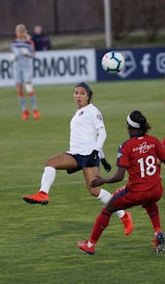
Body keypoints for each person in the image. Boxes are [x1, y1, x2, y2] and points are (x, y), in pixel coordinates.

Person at [22, 82, 134, 236]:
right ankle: (43, 193)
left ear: (88, 96)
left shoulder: (93, 111)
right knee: (50, 163)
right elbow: (89, 136)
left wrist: (96, 154)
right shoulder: (78, 113)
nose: (78, 96)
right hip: (75, 154)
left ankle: (124, 215)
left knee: (94, 191)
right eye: (76, 93)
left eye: (82, 93)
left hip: (88, 156)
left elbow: (102, 134)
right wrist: (103, 158)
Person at [77, 110, 165, 255]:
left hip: (136, 192)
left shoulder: (126, 146)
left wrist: (102, 180)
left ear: (129, 127)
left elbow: (119, 176)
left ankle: (90, 245)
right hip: (156, 190)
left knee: (108, 208)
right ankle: (158, 232)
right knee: (150, 201)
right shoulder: (154, 141)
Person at [10, 23, 40, 121]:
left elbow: (34, 55)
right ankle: (25, 111)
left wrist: (28, 54)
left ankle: (35, 110)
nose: (19, 33)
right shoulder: (13, 43)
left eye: (21, 31)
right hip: (16, 68)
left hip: (26, 68)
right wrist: (12, 57)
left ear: (24, 32)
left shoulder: (29, 43)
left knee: (29, 88)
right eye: (17, 31)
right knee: (19, 89)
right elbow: (12, 53)